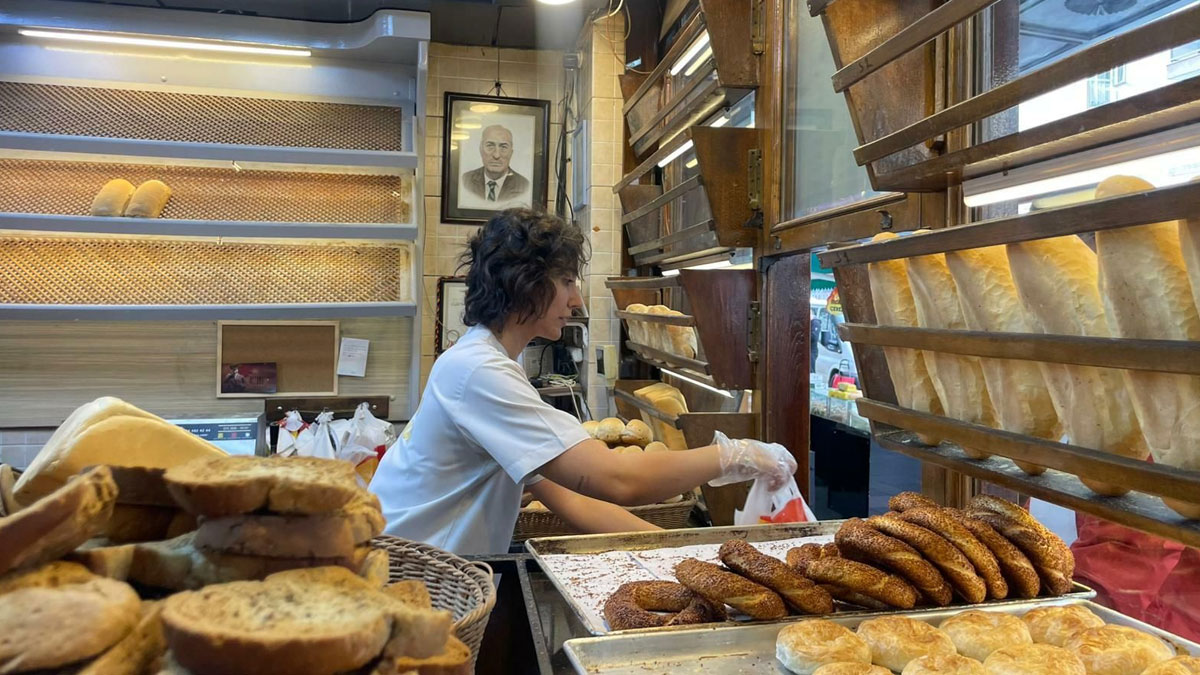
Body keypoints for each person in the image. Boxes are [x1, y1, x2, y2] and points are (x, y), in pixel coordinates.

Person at [369, 208, 797, 555]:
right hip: (410, 572)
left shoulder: (493, 362)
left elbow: (569, 497)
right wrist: (735, 454)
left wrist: (677, 551)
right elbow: (615, 479)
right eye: (567, 281)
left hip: (425, 565)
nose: (576, 300)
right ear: (525, 283)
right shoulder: (480, 372)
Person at [461, 124, 530, 205]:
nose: (496, 155)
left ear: (511, 153)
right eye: (490, 146)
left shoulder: (524, 186)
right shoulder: (465, 180)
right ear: (481, 150)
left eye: (503, 147)